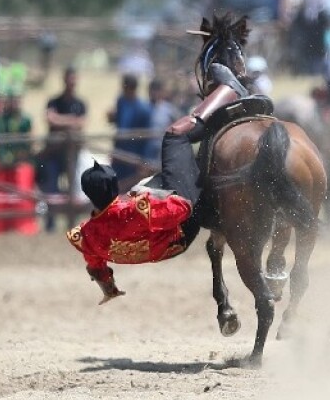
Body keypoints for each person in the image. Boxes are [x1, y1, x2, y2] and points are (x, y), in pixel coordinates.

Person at [69, 61, 259, 302]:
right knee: (174, 136)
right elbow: (182, 209)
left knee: (164, 174)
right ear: (113, 185)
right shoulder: (133, 210)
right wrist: (155, 194)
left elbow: (95, 264)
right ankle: (231, 91)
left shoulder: (88, 234)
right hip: (182, 228)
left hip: (168, 250)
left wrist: (109, 288)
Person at [38, 67, 87, 231]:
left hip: (71, 155)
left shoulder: (80, 104)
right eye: (69, 79)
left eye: (74, 79)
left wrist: (62, 121)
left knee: (73, 190)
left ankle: (73, 226)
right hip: (53, 154)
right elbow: (50, 119)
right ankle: (50, 225)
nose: (71, 83)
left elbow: (81, 123)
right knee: (51, 188)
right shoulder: (54, 101)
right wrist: (70, 121)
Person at [108, 73, 153, 182]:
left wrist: (144, 161)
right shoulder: (121, 102)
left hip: (134, 157)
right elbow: (120, 126)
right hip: (119, 155)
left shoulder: (144, 109)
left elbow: (147, 137)